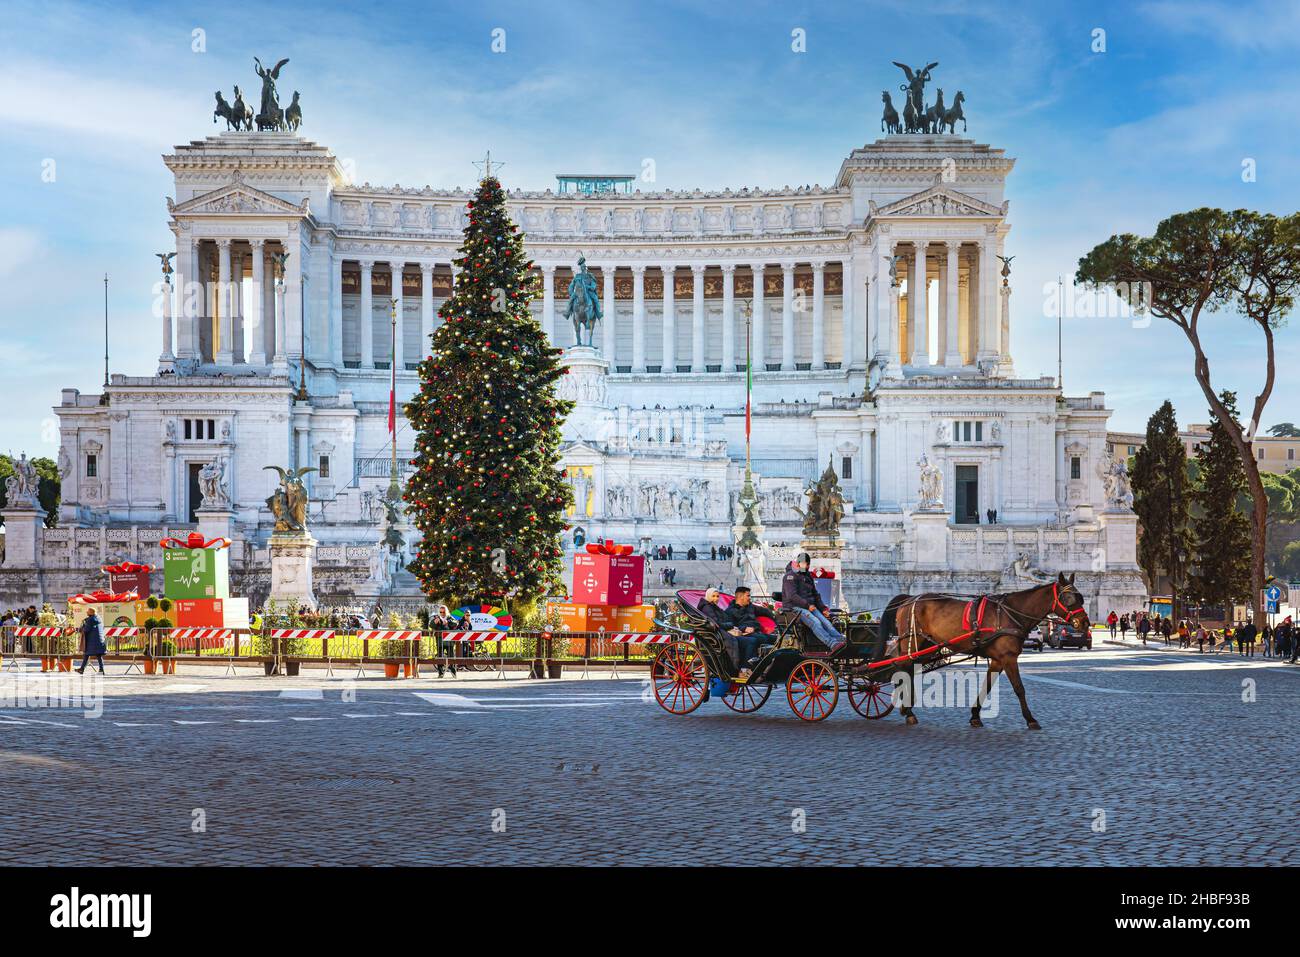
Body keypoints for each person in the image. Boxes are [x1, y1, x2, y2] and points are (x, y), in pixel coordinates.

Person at [782, 553, 845, 654]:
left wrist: (823, 609)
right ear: (799, 563)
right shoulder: (790, 576)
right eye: (805, 564)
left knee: (826, 622)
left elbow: (815, 594)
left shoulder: (807, 576)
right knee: (815, 622)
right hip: (794, 608)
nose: (807, 567)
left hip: (809, 607)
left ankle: (841, 640)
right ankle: (832, 644)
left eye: (808, 565)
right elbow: (792, 596)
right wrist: (807, 605)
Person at [724, 586, 773, 679]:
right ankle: (746, 669)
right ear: (741, 596)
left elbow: (765, 611)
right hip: (743, 634)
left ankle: (770, 666)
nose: (749, 598)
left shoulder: (751, 607)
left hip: (757, 632)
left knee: (776, 639)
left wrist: (775, 616)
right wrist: (744, 628)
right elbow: (730, 626)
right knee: (759, 639)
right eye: (748, 595)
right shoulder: (730, 611)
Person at [76, 608, 106, 675]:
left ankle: (82, 669)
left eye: (87, 611)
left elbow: (86, 630)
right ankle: (101, 670)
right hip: (99, 641)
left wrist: (83, 626)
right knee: (98, 655)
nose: (86, 612)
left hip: (93, 641)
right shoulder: (99, 618)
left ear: (91, 613)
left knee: (87, 654)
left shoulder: (90, 620)